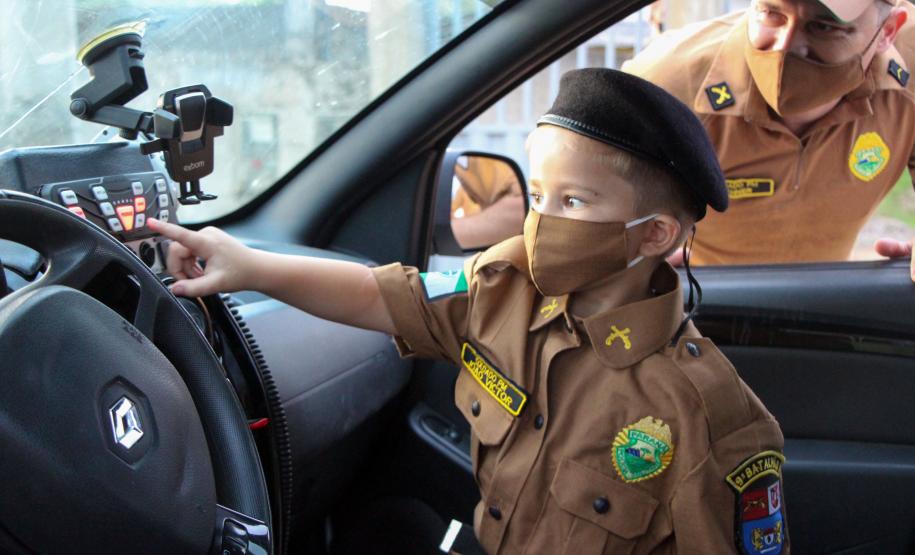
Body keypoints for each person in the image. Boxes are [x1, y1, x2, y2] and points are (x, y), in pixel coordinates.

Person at [147, 69, 787, 554]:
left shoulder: (708, 415)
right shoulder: (506, 287)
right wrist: (251, 266)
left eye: (574, 201)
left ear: (654, 236)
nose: (542, 223)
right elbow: (380, 295)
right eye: (537, 195)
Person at [624, 0, 915, 280]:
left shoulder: (911, 61)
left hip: (830, 303)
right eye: (771, 11)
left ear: (888, 31)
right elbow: (594, 216)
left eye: (824, 26)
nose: (784, 45)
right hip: (704, 299)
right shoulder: (666, 85)